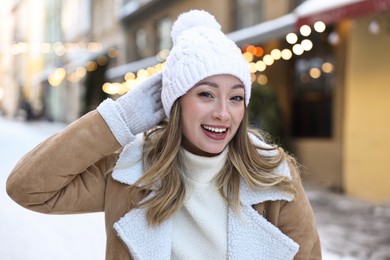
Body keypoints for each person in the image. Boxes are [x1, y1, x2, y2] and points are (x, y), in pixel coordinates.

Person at [6, 10, 321, 260]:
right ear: (174, 103)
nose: (224, 113)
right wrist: (120, 119)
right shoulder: (130, 174)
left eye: (236, 97)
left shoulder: (274, 175)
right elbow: (27, 188)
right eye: (206, 95)